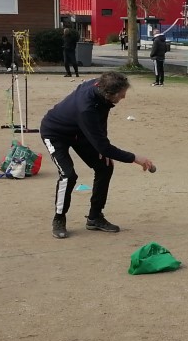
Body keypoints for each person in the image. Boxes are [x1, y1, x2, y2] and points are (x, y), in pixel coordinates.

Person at [39, 72, 155, 239]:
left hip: (80, 132)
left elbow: (101, 121)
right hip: (55, 133)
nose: (123, 97)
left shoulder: (100, 88)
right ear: (109, 94)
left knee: (105, 166)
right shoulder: (86, 108)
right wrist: (135, 158)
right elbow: (103, 144)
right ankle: (59, 217)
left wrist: (103, 148)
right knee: (68, 175)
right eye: (122, 94)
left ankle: (95, 217)